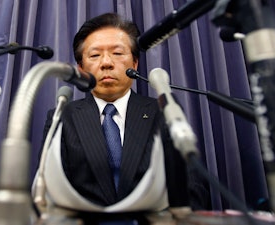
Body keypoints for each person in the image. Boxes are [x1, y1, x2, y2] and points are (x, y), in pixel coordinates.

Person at [39, 13, 210, 216]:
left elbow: (192, 187)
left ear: (135, 63)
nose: (106, 63)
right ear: (81, 69)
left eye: (118, 53)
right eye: (94, 55)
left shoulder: (164, 111)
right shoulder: (62, 116)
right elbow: (50, 193)